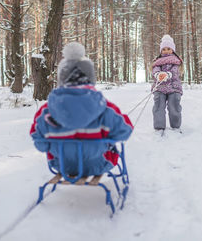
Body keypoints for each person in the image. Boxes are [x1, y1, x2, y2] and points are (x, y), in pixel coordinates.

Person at [30, 42, 133, 177]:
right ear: (90, 78)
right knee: (112, 148)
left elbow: (40, 144)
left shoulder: (47, 110)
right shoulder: (104, 107)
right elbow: (124, 132)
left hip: (61, 165)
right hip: (98, 164)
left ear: (61, 78)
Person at [151, 34, 183, 131]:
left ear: (172, 50)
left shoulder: (176, 61)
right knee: (158, 106)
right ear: (161, 51)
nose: (166, 51)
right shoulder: (157, 61)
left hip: (174, 87)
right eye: (164, 49)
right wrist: (158, 75)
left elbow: (175, 71)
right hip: (160, 88)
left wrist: (168, 74)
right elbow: (155, 70)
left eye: (168, 48)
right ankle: (159, 127)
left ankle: (175, 125)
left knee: (174, 106)